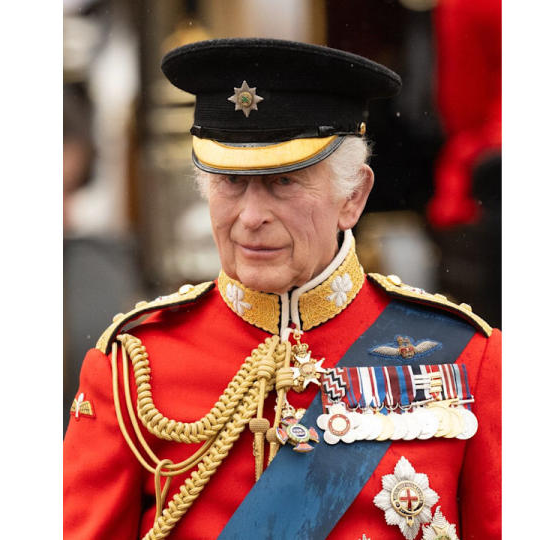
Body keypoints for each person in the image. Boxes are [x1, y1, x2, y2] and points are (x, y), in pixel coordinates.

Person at [64, 38, 501, 540]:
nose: (251, 218)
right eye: (230, 183)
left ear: (352, 196)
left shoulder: (472, 359)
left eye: (283, 183)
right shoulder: (131, 368)